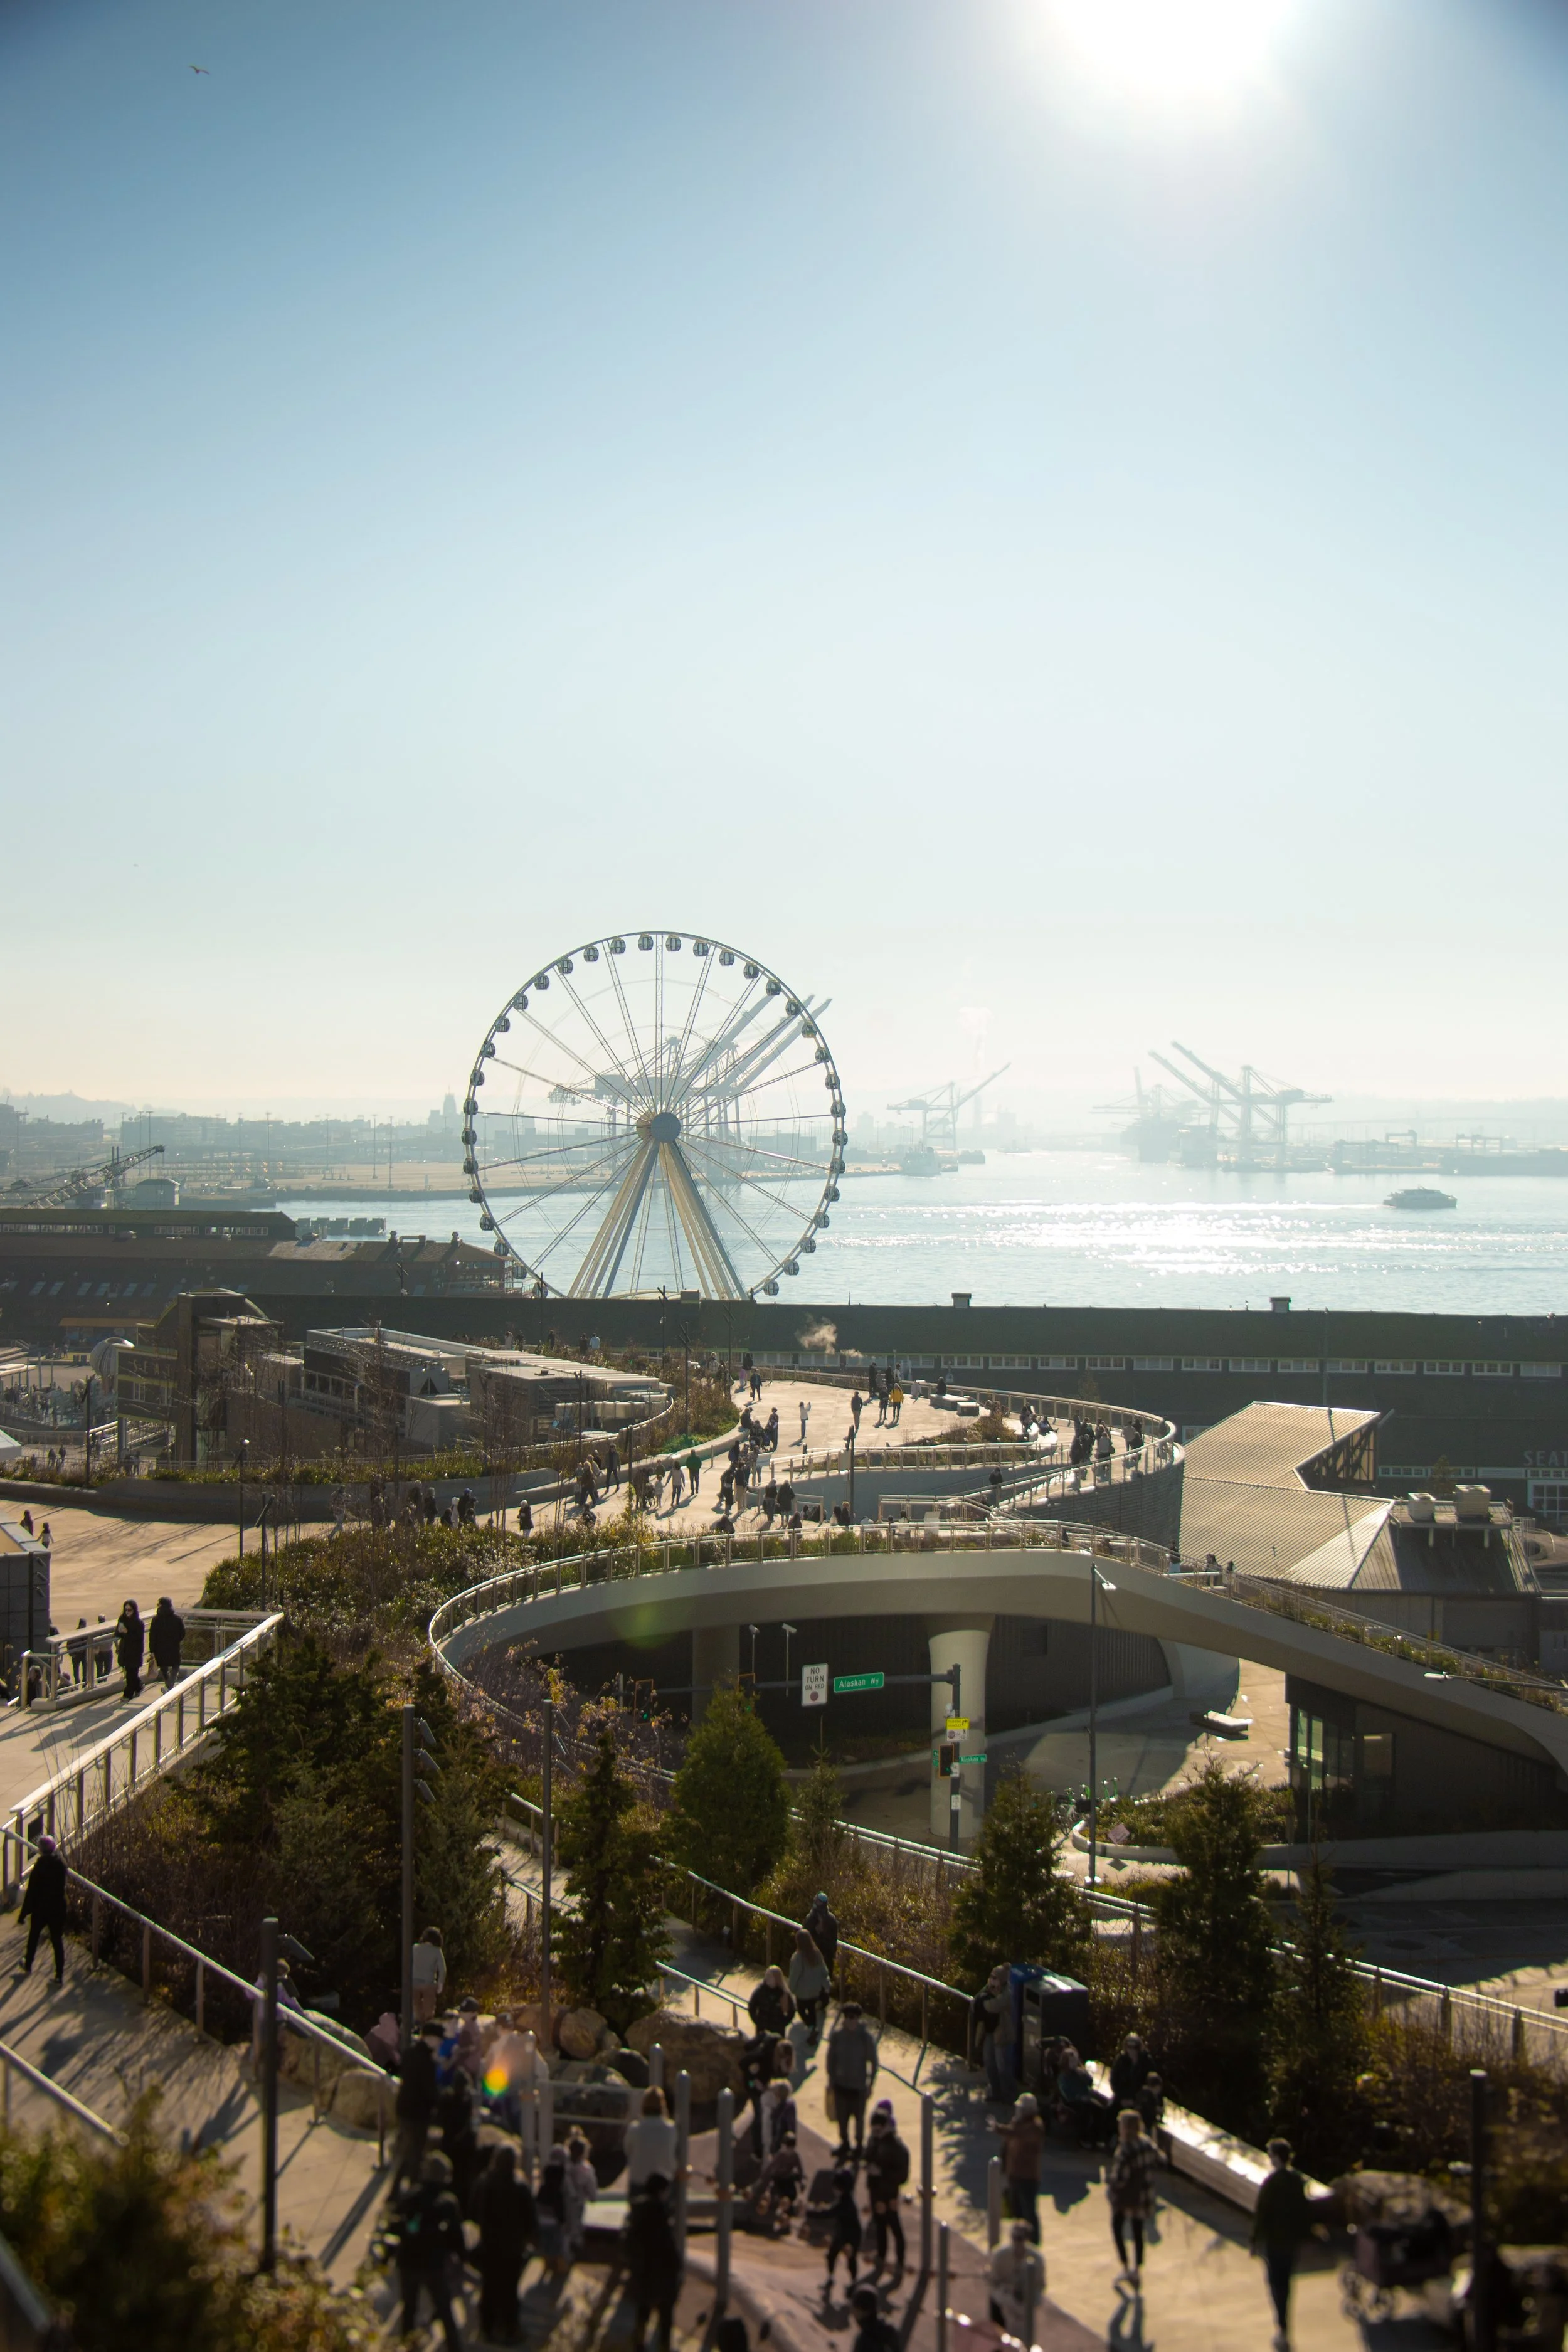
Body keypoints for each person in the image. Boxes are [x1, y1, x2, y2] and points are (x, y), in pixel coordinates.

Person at [389, 2149, 465, 2352]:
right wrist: (462, 2258)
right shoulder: (447, 2203)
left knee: (409, 2310)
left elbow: (394, 2225)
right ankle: (454, 2348)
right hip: (433, 2264)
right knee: (445, 2311)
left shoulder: (410, 2197)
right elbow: (457, 2239)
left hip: (408, 2262)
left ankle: (406, 2345)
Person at [1251, 2137, 1315, 2348]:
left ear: (1276, 2158)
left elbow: (1261, 2214)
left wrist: (1254, 2241)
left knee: (1275, 2285)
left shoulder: (1271, 2184)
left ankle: (1282, 2326)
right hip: (1291, 2242)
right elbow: (1304, 2212)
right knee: (1286, 2285)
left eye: (1271, 2155)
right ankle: (1285, 2326)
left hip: (1274, 2243)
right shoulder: (1297, 2181)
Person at [474, 2141, 535, 2341]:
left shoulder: (484, 2182)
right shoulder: (520, 2186)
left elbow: (473, 2210)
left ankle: (487, 2327)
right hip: (512, 2246)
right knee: (510, 2289)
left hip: (490, 2244)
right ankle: (510, 2328)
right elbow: (530, 2218)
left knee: (489, 2287)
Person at [626, 2174, 682, 2352]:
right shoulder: (660, 2213)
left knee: (643, 2310)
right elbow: (668, 2245)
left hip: (642, 2271)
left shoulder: (637, 2212)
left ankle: (639, 2343)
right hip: (662, 2273)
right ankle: (664, 2347)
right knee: (665, 2316)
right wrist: (678, 2266)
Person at [1105, 2109, 1160, 2285]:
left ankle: (1125, 2267)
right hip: (1144, 2196)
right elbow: (1161, 2160)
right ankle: (1137, 2270)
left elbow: (1119, 2178)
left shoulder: (1125, 2150)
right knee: (1138, 2232)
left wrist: (1110, 2184)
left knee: (1117, 2227)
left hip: (1126, 2198)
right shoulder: (1147, 2144)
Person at [390, 2021, 443, 2185]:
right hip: (418, 2113)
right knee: (416, 2154)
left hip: (404, 2108)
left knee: (407, 2151)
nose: (441, 2042)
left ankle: (395, 2191)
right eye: (438, 2039)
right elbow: (429, 2090)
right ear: (430, 2038)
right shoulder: (427, 2061)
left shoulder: (410, 2053)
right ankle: (410, 2189)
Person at [825, 2000, 879, 2154]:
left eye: (853, 2017)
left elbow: (874, 2062)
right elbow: (831, 2059)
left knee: (859, 2119)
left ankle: (859, 2146)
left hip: (859, 2086)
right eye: (847, 2017)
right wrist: (831, 2080)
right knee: (842, 2118)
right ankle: (845, 2143)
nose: (850, 2020)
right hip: (841, 2085)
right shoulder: (837, 2036)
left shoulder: (865, 2038)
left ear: (858, 2018)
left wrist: (870, 2084)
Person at [864, 2100, 909, 2274]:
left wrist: (881, 2173)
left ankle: (900, 2262)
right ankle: (881, 2257)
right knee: (880, 2227)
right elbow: (866, 2156)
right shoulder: (874, 2141)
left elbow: (902, 2176)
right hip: (876, 2191)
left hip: (889, 2193)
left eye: (878, 2130)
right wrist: (867, 2164)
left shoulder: (898, 2149)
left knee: (895, 2227)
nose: (875, 2134)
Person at [992, 2094, 1046, 2241]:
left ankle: (1034, 2241)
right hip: (1014, 2174)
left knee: (1029, 2212)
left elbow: (1017, 2134)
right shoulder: (1017, 2122)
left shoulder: (1035, 2127)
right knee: (1016, 2211)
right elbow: (1008, 2143)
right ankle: (1019, 2240)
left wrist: (1000, 2129)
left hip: (1028, 2177)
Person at [18, 1832, 67, 1984]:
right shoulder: (61, 1865)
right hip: (58, 1908)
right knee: (57, 1941)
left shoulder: (39, 1868)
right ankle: (59, 1974)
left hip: (41, 1909)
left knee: (34, 1936)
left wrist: (23, 1914)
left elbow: (31, 1893)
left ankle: (28, 1963)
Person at [988, 2220, 1046, 2344]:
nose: (1017, 2243)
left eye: (1021, 2239)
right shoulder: (999, 2255)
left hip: (1026, 2303)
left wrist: (1028, 2298)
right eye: (1015, 2238)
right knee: (999, 2340)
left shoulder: (1037, 2259)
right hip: (1004, 2299)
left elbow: (1040, 2286)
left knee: (1024, 2339)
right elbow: (993, 2283)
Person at [975, 1964, 1017, 2104]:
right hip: (989, 2031)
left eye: (995, 1978)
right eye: (991, 1977)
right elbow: (976, 2001)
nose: (992, 1980)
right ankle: (995, 2092)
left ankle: (1009, 2094)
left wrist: (984, 2002)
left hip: (1002, 2034)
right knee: (989, 2062)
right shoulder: (988, 1990)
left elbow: (994, 2006)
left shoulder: (1007, 1992)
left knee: (1003, 2066)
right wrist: (987, 1993)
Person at [625, 2085, 679, 2188]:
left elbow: (628, 2150)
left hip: (639, 2181)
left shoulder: (635, 2129)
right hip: (664, 2182)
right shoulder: (671, 2129)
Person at [824, 2161, 862, 2292]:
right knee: (832, 2255)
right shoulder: (845, 2200)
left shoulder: (845, 2204)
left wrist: (808, 2211)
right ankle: (832, 2278)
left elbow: (828, 2213)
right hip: (842, 2234)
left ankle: (853, 2282)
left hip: (852, 2236)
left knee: (851, 2260)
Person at [790, 1929, 831, 2043]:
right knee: (812, 2009)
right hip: (815, 1990)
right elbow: (824, 1970)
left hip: (802, 1992)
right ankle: (814, 2028)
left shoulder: (798, 1958)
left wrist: (792, 1988)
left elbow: (794, 1975)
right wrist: (825, 1984)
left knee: (801, 2010)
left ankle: (812, 2028)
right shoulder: (817, 1953)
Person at [849, 2282, 901, 2352]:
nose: (852, 2313)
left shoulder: (863, 2341)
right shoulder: (890, 2329)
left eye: (855, 2309)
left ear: (865, 2312)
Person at [748, 1964, 795, 2040]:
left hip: (777, 2032)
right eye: (767, 1976)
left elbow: (792, 2011)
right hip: (762, 2031)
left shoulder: (783, 1993)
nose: (768, 1979)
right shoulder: (760, 1991)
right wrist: (758, 2022)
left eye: (770, 1977)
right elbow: (751, 2007)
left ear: (777, 1979)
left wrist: (782, 2024)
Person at [411, 1924, 447, 2023]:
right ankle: (427, 2025)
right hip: (429, 1983)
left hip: (414, 1982)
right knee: (429, 2009)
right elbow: (443, 1969)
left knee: (416, 2006)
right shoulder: (437, 1951)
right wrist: (440, 1984)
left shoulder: (415, 1948)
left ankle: (417, 2024)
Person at [148, 1596, 185, 1687]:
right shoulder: (177, 1619)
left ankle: (169, 1685)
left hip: (160, 1649)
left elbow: (152, 1636)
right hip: (174, 1647)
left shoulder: (156, 1619)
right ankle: (170, 1685)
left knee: (164, 1668)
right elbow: (182, 1633)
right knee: (176, 1665)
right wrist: (176, 1640)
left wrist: (152, 1650)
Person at [114, 1599, 144, 1703]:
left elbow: (138, 1638)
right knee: (130, 1673)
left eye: (130, 1610)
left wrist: (127, 1632)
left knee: (131, 1673)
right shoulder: (122, 1620)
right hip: (125, 1651)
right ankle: (139, 1687)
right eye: (126, 1610)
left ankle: (128, 1694)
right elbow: (117, 1634)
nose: (127, 1612)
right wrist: (120, 1630)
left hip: (135, 1651)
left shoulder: (139, 1623)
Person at [1109, 2033, 1151, 2108]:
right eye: (1129, 2047)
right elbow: (1114, 2079)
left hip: (1139, 2101)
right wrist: (1122, 2098)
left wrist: (1135, 2100)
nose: (1132, 2050)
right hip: (1121, 2098)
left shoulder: (1146, 2062)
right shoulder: (1121, 2060)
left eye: (1135, 2047)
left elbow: (1149, 2084)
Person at [804, 1891, 840, 1977]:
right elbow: (834, 1940)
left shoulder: (811, 1919)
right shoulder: (832, 1919)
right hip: (827, 1960)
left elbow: (804, 1937)